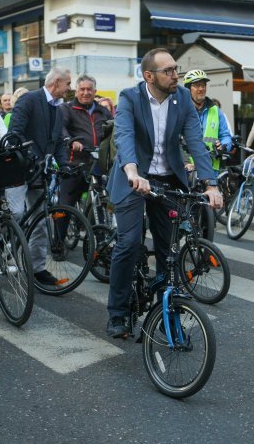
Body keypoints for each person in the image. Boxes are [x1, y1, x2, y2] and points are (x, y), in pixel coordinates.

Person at [105, 48, 222, 339]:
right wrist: (132, 171)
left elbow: (194, 140)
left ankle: (166, 310)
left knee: (169, 250)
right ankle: (118, 312)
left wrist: (211, 183)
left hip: (167, 179)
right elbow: (124, 136)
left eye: (175, 69)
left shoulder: (182, 98)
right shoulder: (130, 98)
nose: (175, 75)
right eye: (168, 71)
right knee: (129, 243)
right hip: (134, 179)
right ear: (149, 76)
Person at [0, 68, 70, 287]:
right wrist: (30, 157)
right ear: (56, 82)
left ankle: (37, 269)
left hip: (40, 173)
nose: (69, 87)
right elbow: (15, 133)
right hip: (19, 169)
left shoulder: (58, 108)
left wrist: (64, 164)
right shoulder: (29, 100)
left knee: (41, 222)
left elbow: (57, 142)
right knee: (15, 211)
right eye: (68, 83)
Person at [59, 74, 112, 212]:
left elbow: (113, 131)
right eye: (82, 89)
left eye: (89, 89)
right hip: (74, 164)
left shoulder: (103, 111)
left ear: (95, 92)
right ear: (76, 91)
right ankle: (60, 233)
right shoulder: (67, 109)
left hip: (98, 164)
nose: (85, 93)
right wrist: (70, 141)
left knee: (100, 202)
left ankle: (98, 231)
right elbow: (60, 128)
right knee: (65, 207)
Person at [183, 70, 232, 172]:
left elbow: (225, 136)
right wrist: (186, 162)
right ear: (188, 89)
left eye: (204, 85)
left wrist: (223, 145)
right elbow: (174, 141)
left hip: (212, 168)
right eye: (197, 85)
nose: (201, 89)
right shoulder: (181, 111)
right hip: (189, 169)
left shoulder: (215, 110)